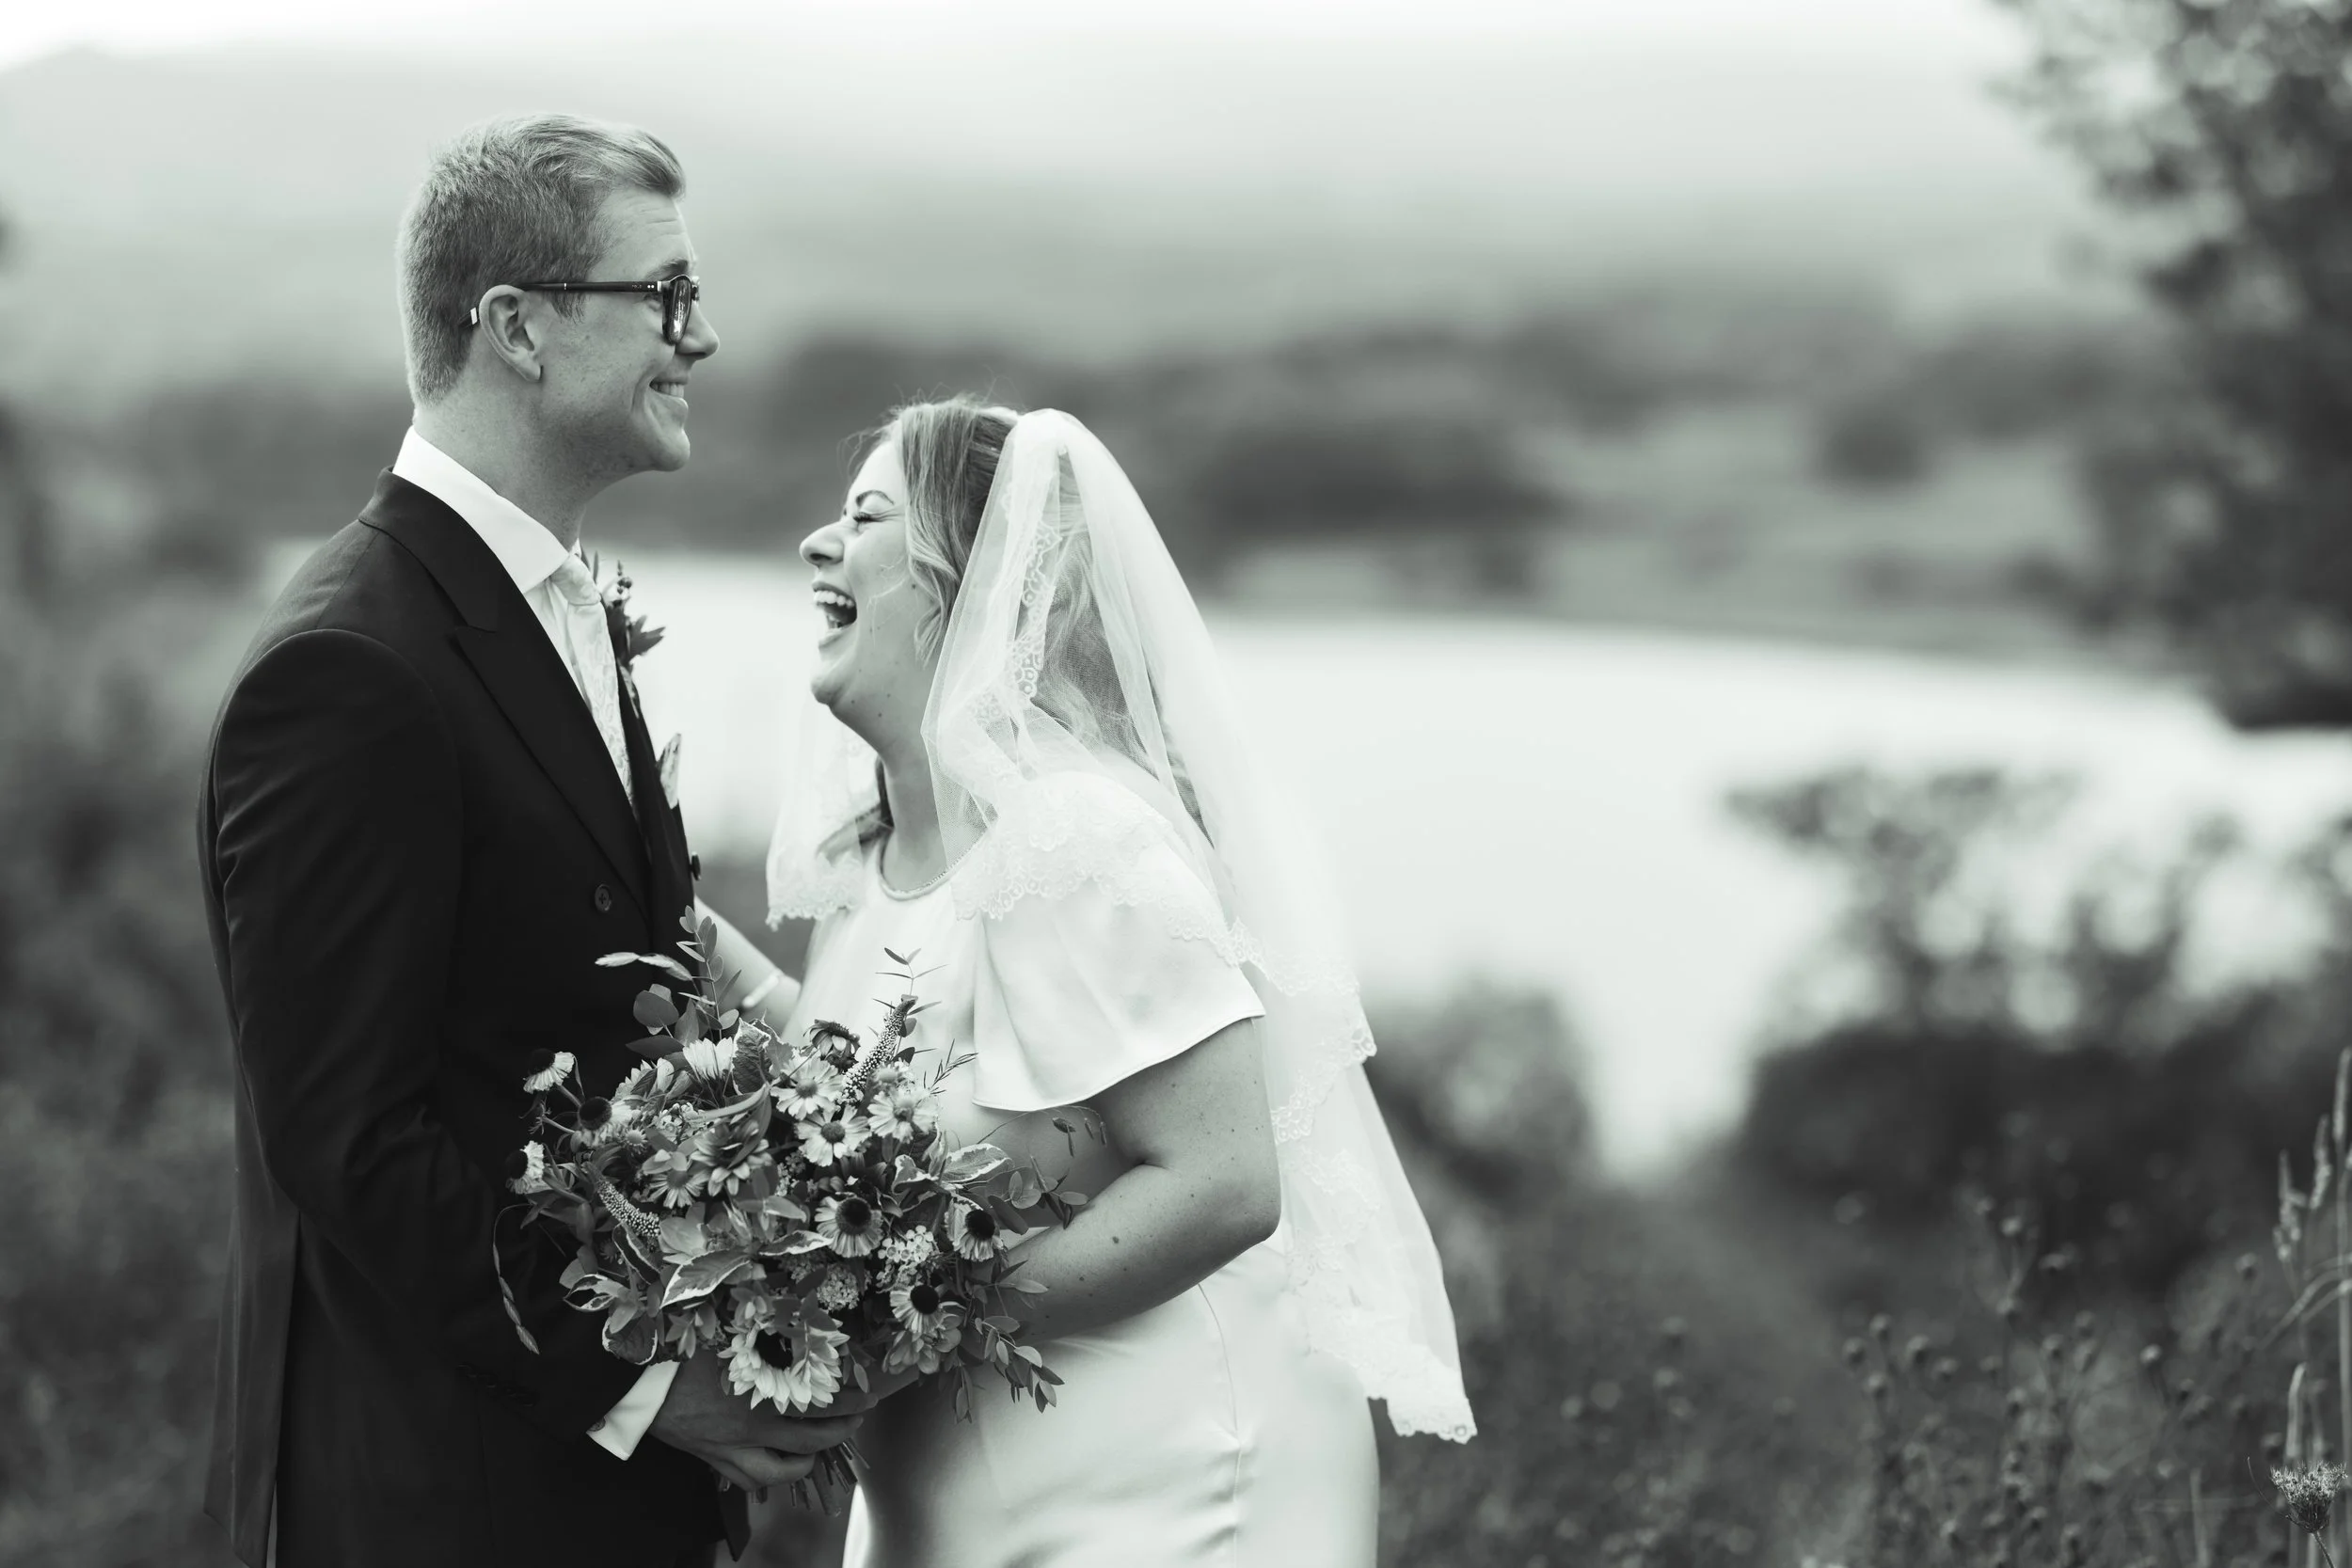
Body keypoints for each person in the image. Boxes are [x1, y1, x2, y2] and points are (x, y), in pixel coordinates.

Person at [198, 113, 854, 1568]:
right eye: (666, 295)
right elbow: (346, 1135)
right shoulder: (352, 671)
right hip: (437, 1501)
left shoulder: (551, 614)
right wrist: (644, 1383)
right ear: (518, 328)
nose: (706, 336)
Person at [754, 396, 1475, 1568]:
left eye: (867, 516)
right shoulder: (865, 868)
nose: (817, 544)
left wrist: (915, 1325)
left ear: (964, 581)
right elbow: (875, 1091)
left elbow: (1228, 1178)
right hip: (949, 1495)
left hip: (1163, 1478)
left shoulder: (1068, 839)